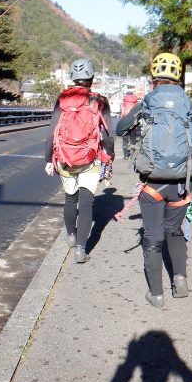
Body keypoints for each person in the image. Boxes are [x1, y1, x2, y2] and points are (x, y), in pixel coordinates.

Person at [116, 52, 192, 308]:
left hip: (152, 182)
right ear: (178, 77)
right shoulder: (188, 103)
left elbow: (120, 128)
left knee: (152, 234)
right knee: (174, 230)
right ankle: (180, 280)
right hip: (182, 183)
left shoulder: (148, 101)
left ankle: (157, 295)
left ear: (154, 77)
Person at [45, 58, 115, 263]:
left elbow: (52, 131)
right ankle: (81, 250)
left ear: (72, 78)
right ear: (92, 78)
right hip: (89, 158)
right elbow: (108, 134)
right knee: (86, 204)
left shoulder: (63, 98)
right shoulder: (99, 100)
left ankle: (71, 235)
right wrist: (110, 155)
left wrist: (48, 158)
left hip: (65, 157)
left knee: (70, 198)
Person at [120, 92, 139, 160]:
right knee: (133, 139)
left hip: (125, 122)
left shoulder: (123, 103)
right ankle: (132, 155)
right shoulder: (136, 103)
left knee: (125, 140)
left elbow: (122, 113)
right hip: (133, 122)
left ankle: (126, 155)